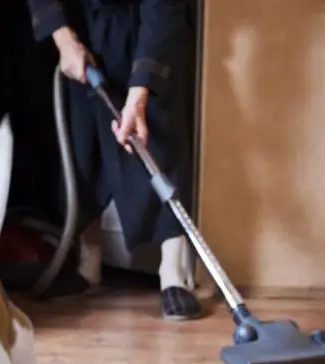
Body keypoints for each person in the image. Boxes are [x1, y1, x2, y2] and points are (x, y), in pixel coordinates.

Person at [26, 0, 201, 320]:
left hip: (141, 24)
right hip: (80, 22)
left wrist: (141, 90)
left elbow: (164, 9)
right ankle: (87, 263)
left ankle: (173, 272)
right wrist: (64, 39)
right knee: (81, 138)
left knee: (159, 136)